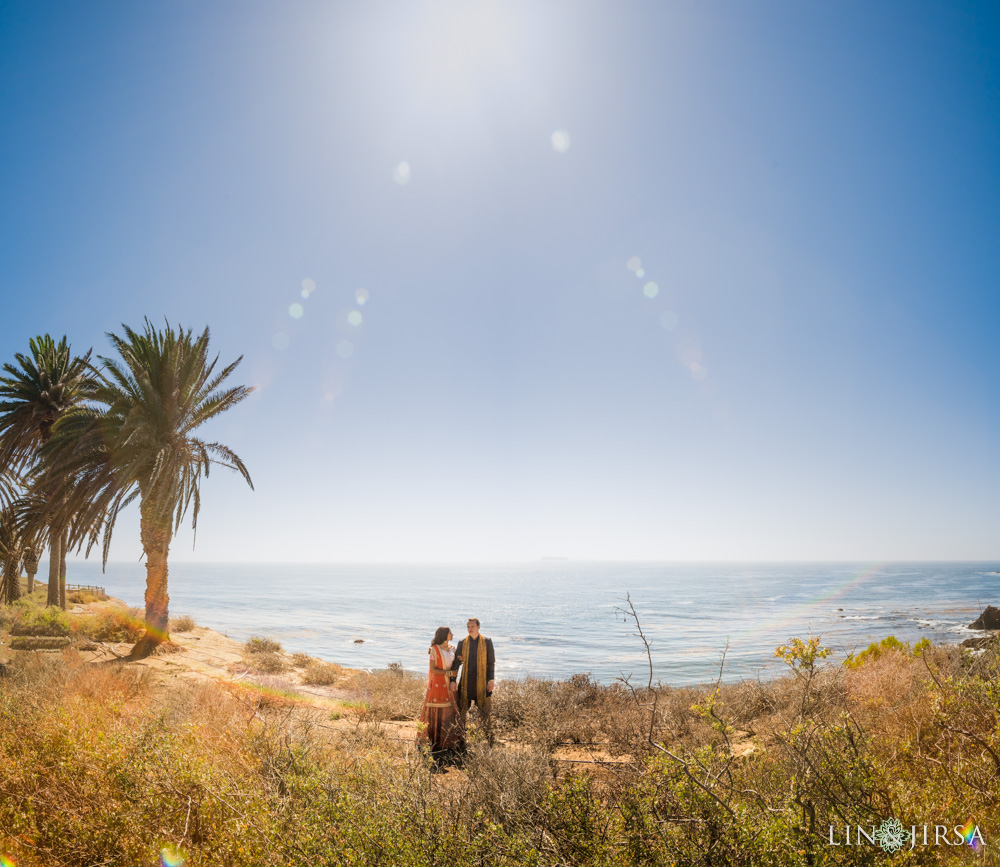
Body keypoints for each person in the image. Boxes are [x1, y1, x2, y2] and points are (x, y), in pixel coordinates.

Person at [417, 626, 464, 770]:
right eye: (450, 632)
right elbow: (433, 669)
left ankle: (448, 743)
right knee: (437, 711)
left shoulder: (453, 648)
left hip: (449, 684)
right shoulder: (434, 650)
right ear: (445, 634)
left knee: (450, 711)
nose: (452, 634)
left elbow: (456, 663)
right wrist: (448, 673)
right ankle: (434, 742)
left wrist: (453, 677)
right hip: (437, 684)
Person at [451, 617, 495, 743]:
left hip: (482, 684)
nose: (470, 629)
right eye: (468, 626)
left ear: (478, 627)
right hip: (466, 683)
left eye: (472, 626)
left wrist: (491, 680)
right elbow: (456, 663)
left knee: (485, 713)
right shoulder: (462, 642)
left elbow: (491, 663)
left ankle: (490, 739)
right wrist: (453, 680)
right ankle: (461, 739)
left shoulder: (487, 642)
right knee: (461, 713)